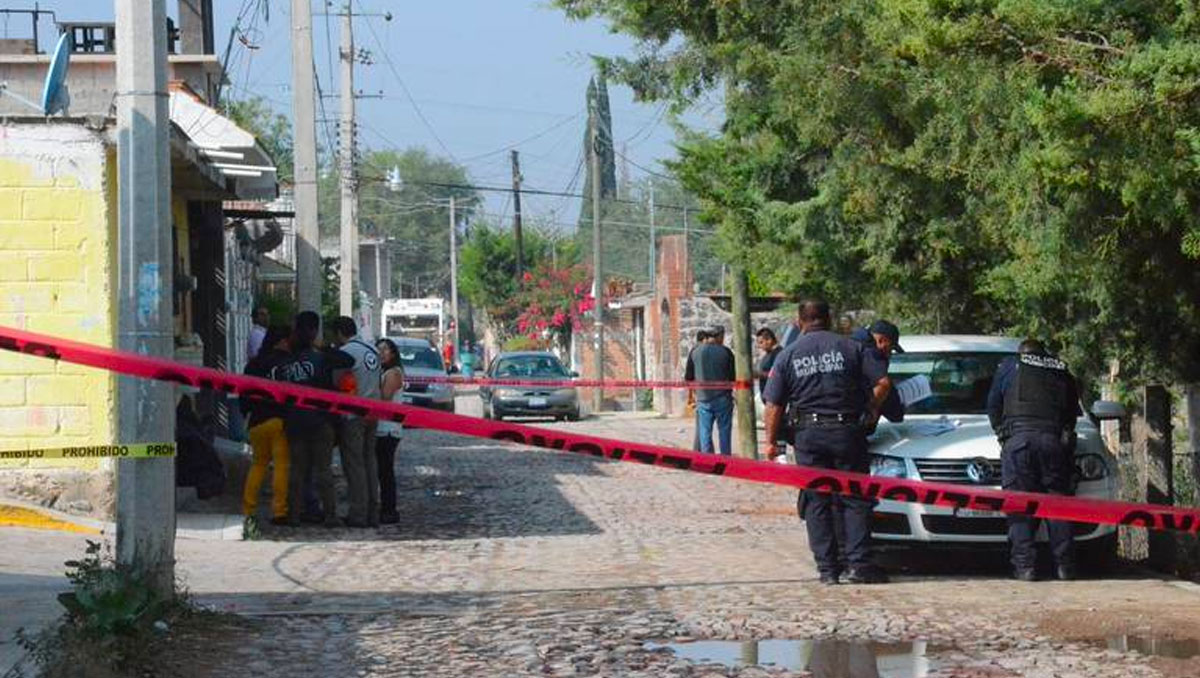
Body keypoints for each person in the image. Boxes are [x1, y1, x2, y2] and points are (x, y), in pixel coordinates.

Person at [763, 299, 890, 585]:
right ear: (829, 319)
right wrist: (870, 409)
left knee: (816, 502)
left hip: (809, 437)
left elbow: (773, 405)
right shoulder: (852, 348)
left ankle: (828, 569)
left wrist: (771, 442)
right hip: (848, 432)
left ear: (799, 322)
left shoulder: (788, 355)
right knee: (855, 499)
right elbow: (883, 383)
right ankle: (858, 565)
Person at [986, 338, 1082, 582]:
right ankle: (1065, 567)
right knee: (1057, 504)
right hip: (1053, 442)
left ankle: (1025, 567)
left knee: (1019, 506)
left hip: (1019, 442)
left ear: (1022, 353)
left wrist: (1003, 435)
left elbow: (993, 406)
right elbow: (1072, 413)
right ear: (1043, 353)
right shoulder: (1060, 368)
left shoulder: (1009, 366)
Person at [277, 311, 354, 528]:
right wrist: (324, 348)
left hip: (294, 420)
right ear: (314, 331)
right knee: (323, 470)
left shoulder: (287, 361)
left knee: (297, 470)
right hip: (321, 420)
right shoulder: (321, 357)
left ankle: (293, 515)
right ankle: (330, 515)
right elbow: (348, 360)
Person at [332, 316, 383, 528]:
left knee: (354, 465)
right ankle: (373, 512)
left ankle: (358, 514)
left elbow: (336, 382)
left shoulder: (346, 353)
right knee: (370, 461)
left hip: (354, 414)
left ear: (339, 333)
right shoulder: (372, 350)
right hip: (374, 411)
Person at [240, 325, 293, 529]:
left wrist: (246, 413)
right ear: (281, 341)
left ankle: (248, 510)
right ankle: (279, 511)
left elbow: (243, 393)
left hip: (257, 421)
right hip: (278, 420)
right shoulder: (285, 363)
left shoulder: (253, 364)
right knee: (281, 466)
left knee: (258, 464)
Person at [686, 326, 736, 455]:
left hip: (703, 398)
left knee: (705, 432)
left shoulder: (694, 352)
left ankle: (707, 459)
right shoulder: (726, 352)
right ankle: (725, 458)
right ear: (720, 336)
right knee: (724, 431)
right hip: (723, 398)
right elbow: (732, 377)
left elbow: (689, 378)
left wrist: (693, 395)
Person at [850, 320, 906, 426]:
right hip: (854, 428)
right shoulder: (872, 354)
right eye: (890, 348)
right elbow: (884, 384)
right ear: (881, 341)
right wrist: (870, 410)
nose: (889, 354)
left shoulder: (847, 346)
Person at [375, 338, 406, 525]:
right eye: (378, 349)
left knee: (385, 471)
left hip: (388, 429)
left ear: (393, 353)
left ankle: (389, 509)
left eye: (385, 349)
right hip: (380, 427)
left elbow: (385, 397)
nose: (381, 352)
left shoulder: (393, 373)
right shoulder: (384, 372)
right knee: (381, 470)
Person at [684, 330, 709, 451]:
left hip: (699, 391)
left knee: (702, 424)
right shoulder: (700, 352)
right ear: (704, 339)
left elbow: (688, 376)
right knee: (703, 424)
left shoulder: (694, 352)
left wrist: (690, 394)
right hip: (704, 391)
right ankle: (701, 449)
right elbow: (689, 375)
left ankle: (700, 448)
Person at [754, 327, 782, 399]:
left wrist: (759, 374)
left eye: (761, 342)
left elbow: (778, 374)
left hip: (775, 398)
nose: (759, 346)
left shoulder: (778, 354)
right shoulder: (769, 354)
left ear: (769, 340)